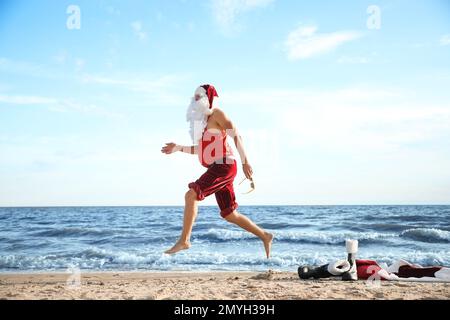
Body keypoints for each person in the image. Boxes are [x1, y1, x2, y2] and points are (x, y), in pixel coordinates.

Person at [161, 84, 273, 258]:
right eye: (194, 97)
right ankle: (265, 235)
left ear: (208, 98)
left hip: (224, 166)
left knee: (191, 195)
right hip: (218, 167)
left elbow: (236, 135)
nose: (195, 100)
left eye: (199, 96)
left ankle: (185, 240)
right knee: (230, 214)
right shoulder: (202, 125)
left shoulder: (217, 114)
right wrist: (178, 148)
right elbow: (201, 150)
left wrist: (245, 162)